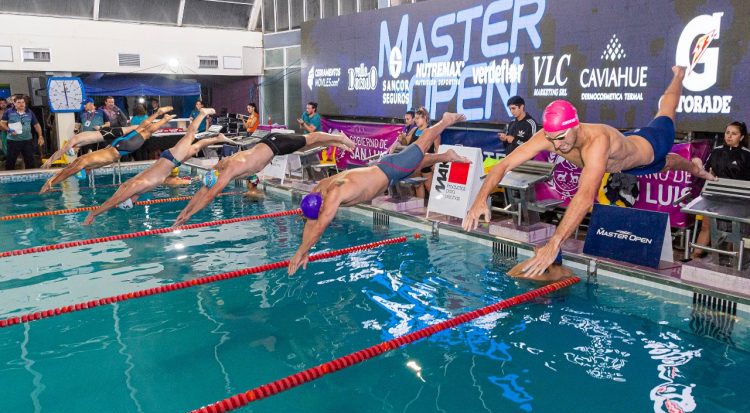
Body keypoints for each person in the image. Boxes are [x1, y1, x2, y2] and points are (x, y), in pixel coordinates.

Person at [462, 66, 716, 278]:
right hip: (623, 158)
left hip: (649, 146)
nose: (557, 145)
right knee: (667, 163)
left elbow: (584, 196)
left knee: (665, 117)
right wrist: (479, 199)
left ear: (576, 125)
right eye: (551, 139)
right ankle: (691, 163)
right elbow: (503, 165)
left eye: (561, 138)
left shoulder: (596, 143)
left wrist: (554, 244)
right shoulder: (549, 137)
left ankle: (679, 77)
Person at [287, 112, 470, 275]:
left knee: (422, 143)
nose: (320, 214)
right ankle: (447, 157)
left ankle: (445, 120)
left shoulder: (334, 194)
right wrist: (305, 251)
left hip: (390, 169)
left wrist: (298, 254)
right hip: (386, 169)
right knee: (415, 165)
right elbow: (311, 223)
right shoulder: (320, 188)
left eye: (319, 212)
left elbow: (318, 229)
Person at [172, 131, 357, 226]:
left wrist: (191, 214)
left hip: (273, 144)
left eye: (217, 166)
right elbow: (203, 191)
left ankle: (340, 137)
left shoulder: (229, 170)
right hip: (270, 146)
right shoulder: (223, 169)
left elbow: (210, 195)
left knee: (311, 138)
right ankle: (338, 142)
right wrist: (186, 210)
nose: (218, 163)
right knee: (305, 146)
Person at [82, 108, 225, 225]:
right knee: (195, 147)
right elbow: (118, 194)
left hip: (171, 159)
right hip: (168, 159)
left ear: (130, 198)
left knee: (190, 135)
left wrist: (94, 214)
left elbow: (114, 200)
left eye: (132, 202)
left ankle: (202, 113)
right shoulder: (130, 185)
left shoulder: (136, 186)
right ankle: (217, 138)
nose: (135, 201)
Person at [40, 108, 175, 193]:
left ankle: (163, 118)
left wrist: (51, 182)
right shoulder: (86, 161)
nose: (87, 173)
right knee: (140, 129)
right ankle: (159, 114)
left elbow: (67, 172)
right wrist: (51, 179)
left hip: (119, 148)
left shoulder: (84, 162)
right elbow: (66, 170)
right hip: (114, 144)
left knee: (145, 132)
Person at [690, 121, 750, 259]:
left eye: (734, 134)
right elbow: (705, 171)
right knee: (706, 227)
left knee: (734, 231)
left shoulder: (747, 156)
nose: (729, 136)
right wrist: (697, 164)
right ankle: (695, 256)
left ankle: (731, 261)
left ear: (741, 137)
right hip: (714, 196)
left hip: (737, 200)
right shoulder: (716, 151)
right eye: (727, 132)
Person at [0, 96, 44, 170]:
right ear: (14, 103)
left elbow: (36, 125)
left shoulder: (29, 112)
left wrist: (40, 136)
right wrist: (9, 130)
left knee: (30, 162)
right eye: (19, 102)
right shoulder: (9, 112)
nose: (21, 104)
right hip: (13, 141)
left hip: (27, 141)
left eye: (23, 102)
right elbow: (2, 123)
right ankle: (10, 179)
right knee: (10, 162)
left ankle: (31, 178)